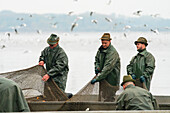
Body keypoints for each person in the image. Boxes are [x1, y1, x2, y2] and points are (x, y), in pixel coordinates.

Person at [91, 33, 120, 101]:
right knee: (103, 95)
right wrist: (97, 67)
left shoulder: (112, 52)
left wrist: (98, 78)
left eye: (105, 43)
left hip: (112, 79)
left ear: (110, 41)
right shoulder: (100, 50)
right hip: (103, 78)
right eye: (102, 43)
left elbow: (108, 67)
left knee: (110, 97)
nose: (103, 45)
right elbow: (96, 59)